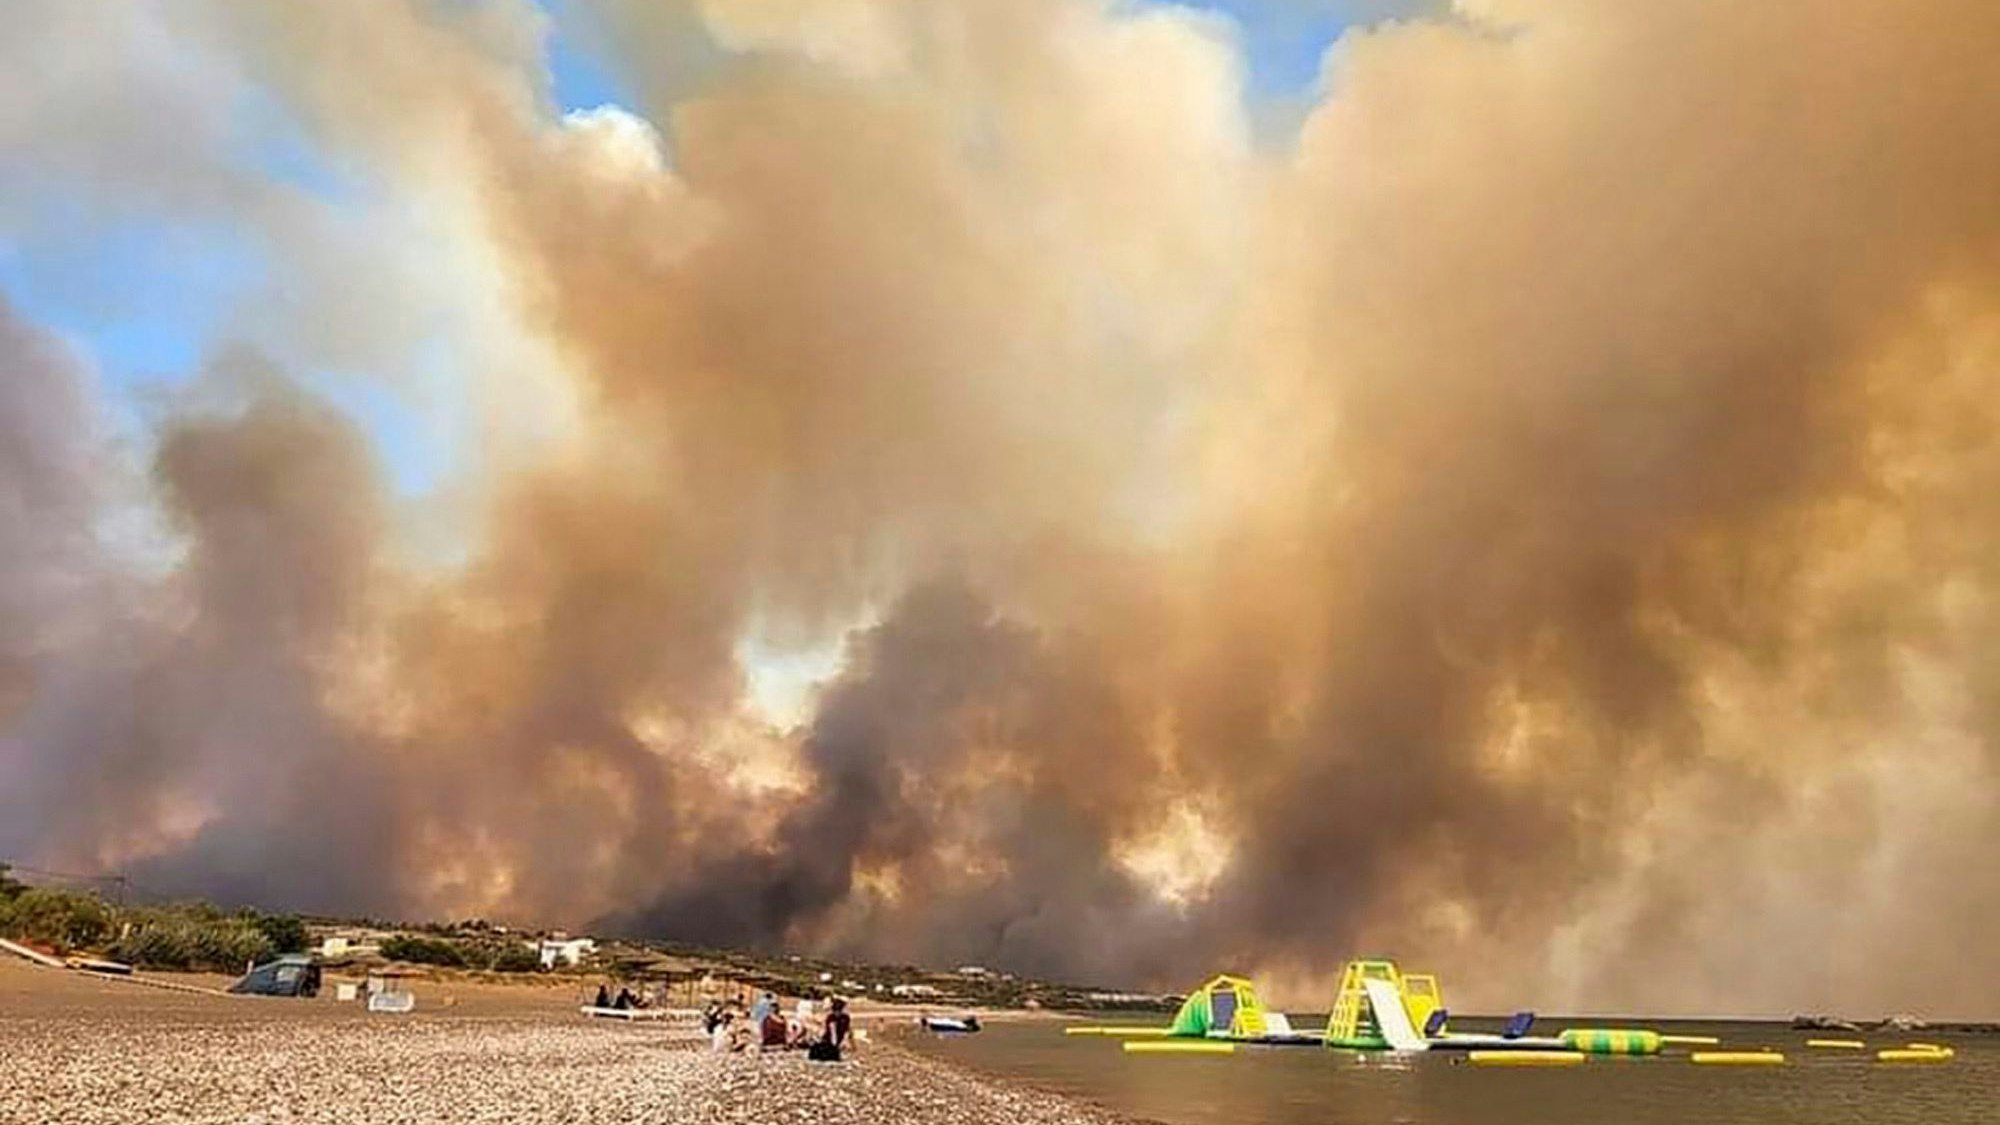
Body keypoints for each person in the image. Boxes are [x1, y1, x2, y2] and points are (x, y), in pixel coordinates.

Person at [808, 997, 852, 1062]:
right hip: (830, 1040)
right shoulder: (831, 1018)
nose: (837, 1013)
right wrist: (835, 1046)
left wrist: (845, 1041)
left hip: (839, 1039)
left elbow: (847, 1030)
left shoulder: (845, 1018)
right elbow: (833, 1033)